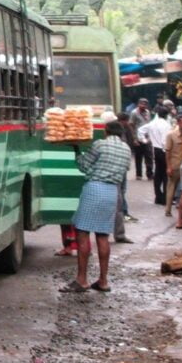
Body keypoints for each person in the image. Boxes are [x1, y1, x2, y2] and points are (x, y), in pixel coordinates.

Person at [61, 120, 132, 293]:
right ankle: (103, 280)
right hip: (112, 193)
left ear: (106, 131)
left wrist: (76, 149)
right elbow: (124, 172)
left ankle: (82, 279)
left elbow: (84, 166)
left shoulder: (100, 145)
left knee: (83, 232)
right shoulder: (126, 149)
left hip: (95, 189)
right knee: (103, 236)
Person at [139, 105, 172, 205]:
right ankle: (166, 197)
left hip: (155, 149)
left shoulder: (152, 123)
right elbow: (164, 141)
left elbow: (140, 130)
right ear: (166, 115)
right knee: (166, 175)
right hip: (163, 150)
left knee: (158, 174)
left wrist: (144, 141)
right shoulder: (166, 125)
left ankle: (158, 196)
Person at [165, 113, 182, 217]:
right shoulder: (171, 135)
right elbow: (167, 152)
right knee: (171, 187)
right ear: (178, 123)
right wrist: (169, 166)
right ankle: (168, 210)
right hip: (175, 166)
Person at [128, 98, 153, 181]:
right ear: (138, 104)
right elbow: (131, 125)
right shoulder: (134, 113)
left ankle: (149, 174)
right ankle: (139, 174)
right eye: (142, 104)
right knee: (138, 157)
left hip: (146, 137)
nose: (143, 105)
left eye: (145, 104)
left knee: (149, 156)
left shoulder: (147, 112)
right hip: (138, 137)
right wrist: (134, 138)